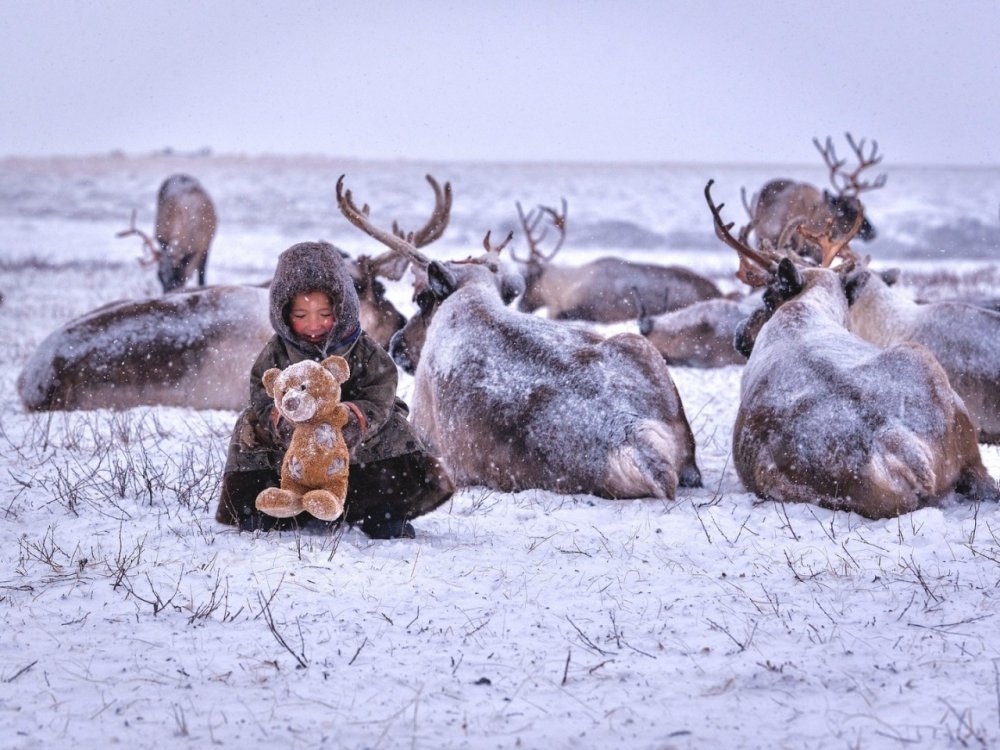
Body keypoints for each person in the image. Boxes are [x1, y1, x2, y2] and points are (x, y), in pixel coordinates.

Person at [214, 240, 454, 538]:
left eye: (324, 314)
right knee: (249, 427)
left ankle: (383, 509)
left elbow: (382, 389)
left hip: (352, 436)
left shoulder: (361, 347)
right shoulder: (277, 351)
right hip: (294, 442)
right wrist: (282, 422)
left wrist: (354, 419)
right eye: (301, 316)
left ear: (342, 309)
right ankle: (263, 507)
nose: (313, 324)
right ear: (284, 314)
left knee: (394, 426)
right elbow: (262, 391)